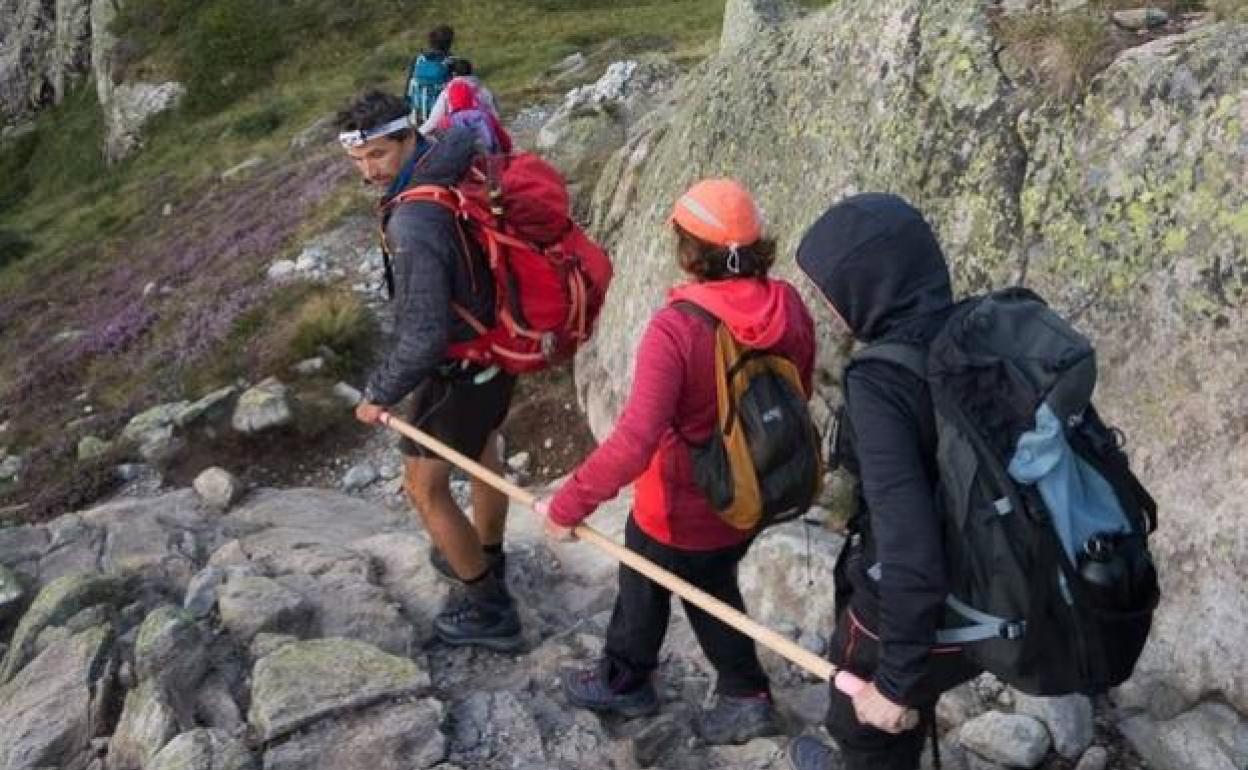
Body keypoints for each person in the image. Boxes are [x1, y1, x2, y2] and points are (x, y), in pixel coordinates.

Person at [541, 179, 816, 745]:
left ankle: (657, 683)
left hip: (680, 501)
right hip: (752, 488)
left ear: (688, 250)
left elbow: (635, 439)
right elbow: (800, 389)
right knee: (703, 580)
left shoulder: (677, 328)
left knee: (651, 573)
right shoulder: (786, 303)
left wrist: (568, 504)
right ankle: (677, 681)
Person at [786, 193, 980, 770]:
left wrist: (894, 685)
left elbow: (907, 548)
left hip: (925, 608)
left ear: (870, 284)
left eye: (833, 289)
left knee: (865, 726)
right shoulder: (981, 329)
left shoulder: (883, 380)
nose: (829, 304)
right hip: (1002, 596)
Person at [336, 89, 522, 652]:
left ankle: (489, 610)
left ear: (408, 137)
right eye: (358, 160)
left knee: (423, 487)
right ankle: (488, 555)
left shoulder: (414, 220)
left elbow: (422, 337)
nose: (369, 171)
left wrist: (379, 394)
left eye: (379, 155)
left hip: (459, 367)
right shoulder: (451, 154)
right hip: (499, 347)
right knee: (485, 452)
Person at [419, 58, 500, 137]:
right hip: (486, 136)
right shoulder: (484, 90)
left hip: (459, 139)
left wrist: (418, 133)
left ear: (454, 74)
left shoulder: (448, 92)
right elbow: (495, 117)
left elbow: (433, 122)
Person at [407, 25, 455, 123]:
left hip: (417, 115)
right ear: (449, 43)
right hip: (442, 117)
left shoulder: (418, 59)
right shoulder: (451, 61)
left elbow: (408, 89)